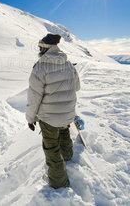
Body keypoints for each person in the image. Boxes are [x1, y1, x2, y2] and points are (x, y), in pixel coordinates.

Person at [26, 33, 81, 189]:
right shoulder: (68, 64)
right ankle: (68, 157)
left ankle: (58, 182)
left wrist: (30, 119)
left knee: (51, 149)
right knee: (64, 133)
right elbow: (77, 87)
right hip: (68, 112)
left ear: (43, 49)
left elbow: (33, 97)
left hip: (49, 117)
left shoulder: (40, 67)